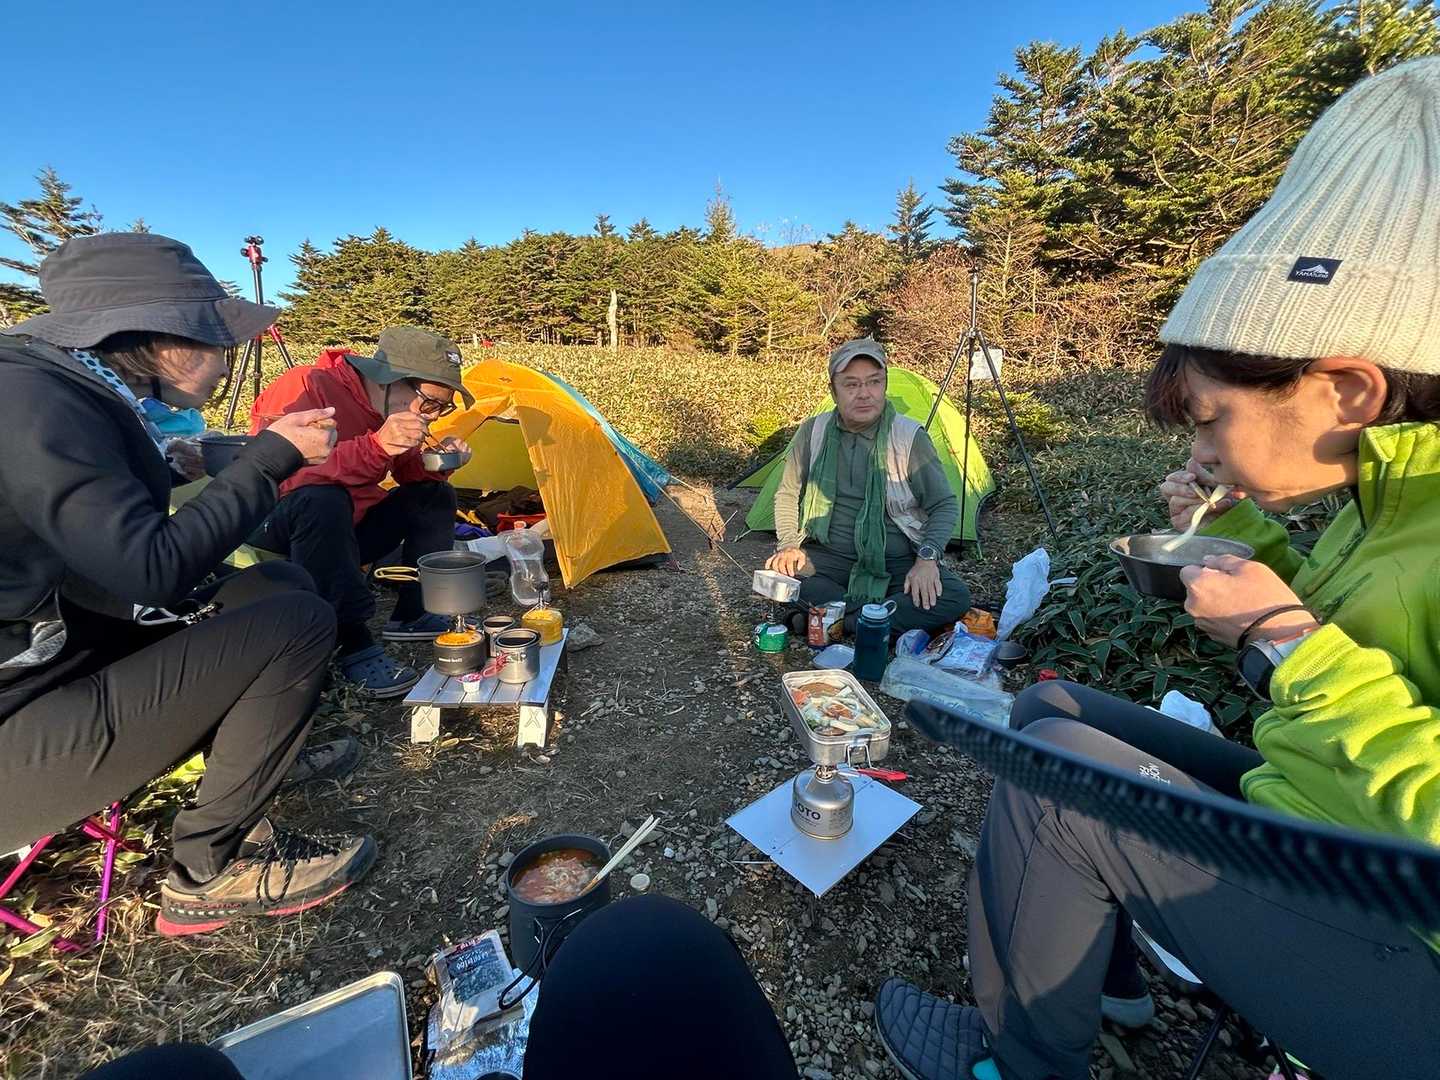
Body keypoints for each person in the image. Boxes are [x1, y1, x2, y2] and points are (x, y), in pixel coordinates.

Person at [874, 59, 1440, 1080]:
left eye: (1214, 420)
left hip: (1404, 930)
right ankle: (1108, 982)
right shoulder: (1390, 494)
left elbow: (1339, 689)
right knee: (1049, 708)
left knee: (1058, 789)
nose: (1203, 452)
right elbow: (1357, 651)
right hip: (1311, 809)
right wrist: (1246, 546)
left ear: (1350, 390)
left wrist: (1285, 640)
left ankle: (1019, 1061)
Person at [0, 233, 376, 937]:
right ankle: (208, 871)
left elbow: (82, 516)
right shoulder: (31, 401)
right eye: (215, 339)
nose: (228, 360)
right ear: (157, 338)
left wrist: (183, 463)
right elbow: (151, 569)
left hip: (68, 651)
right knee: (295, 623)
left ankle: (254, 764)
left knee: (276, 583)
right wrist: (268, 460)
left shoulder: (68, 385)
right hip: (21, 721)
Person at [248, 327, 475, 697]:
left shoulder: (392, 409)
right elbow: (284, 477)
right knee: (323, 499)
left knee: (434, 494)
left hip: (346, 530)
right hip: (280, 525)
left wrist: (438, 463)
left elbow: (406, 474)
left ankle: (415, 611)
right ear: (390, 380)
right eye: (430, 403)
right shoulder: (306, 386)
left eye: (442, 408)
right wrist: (377, 445)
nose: (433, 417)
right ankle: (350, 640)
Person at [766, 338, 971, 636]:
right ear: (833, 391)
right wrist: (788, 545)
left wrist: (927, 559)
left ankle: (836, 619)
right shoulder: (813, 431)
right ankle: (874, 616)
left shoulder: (908, 437)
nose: (864, 394)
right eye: (851, 384)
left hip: (893, 562)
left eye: (874, 382)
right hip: (827, 556)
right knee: (776, 576)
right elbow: (787, 493)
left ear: (884, 385)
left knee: (954, 596)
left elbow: (944, 504)